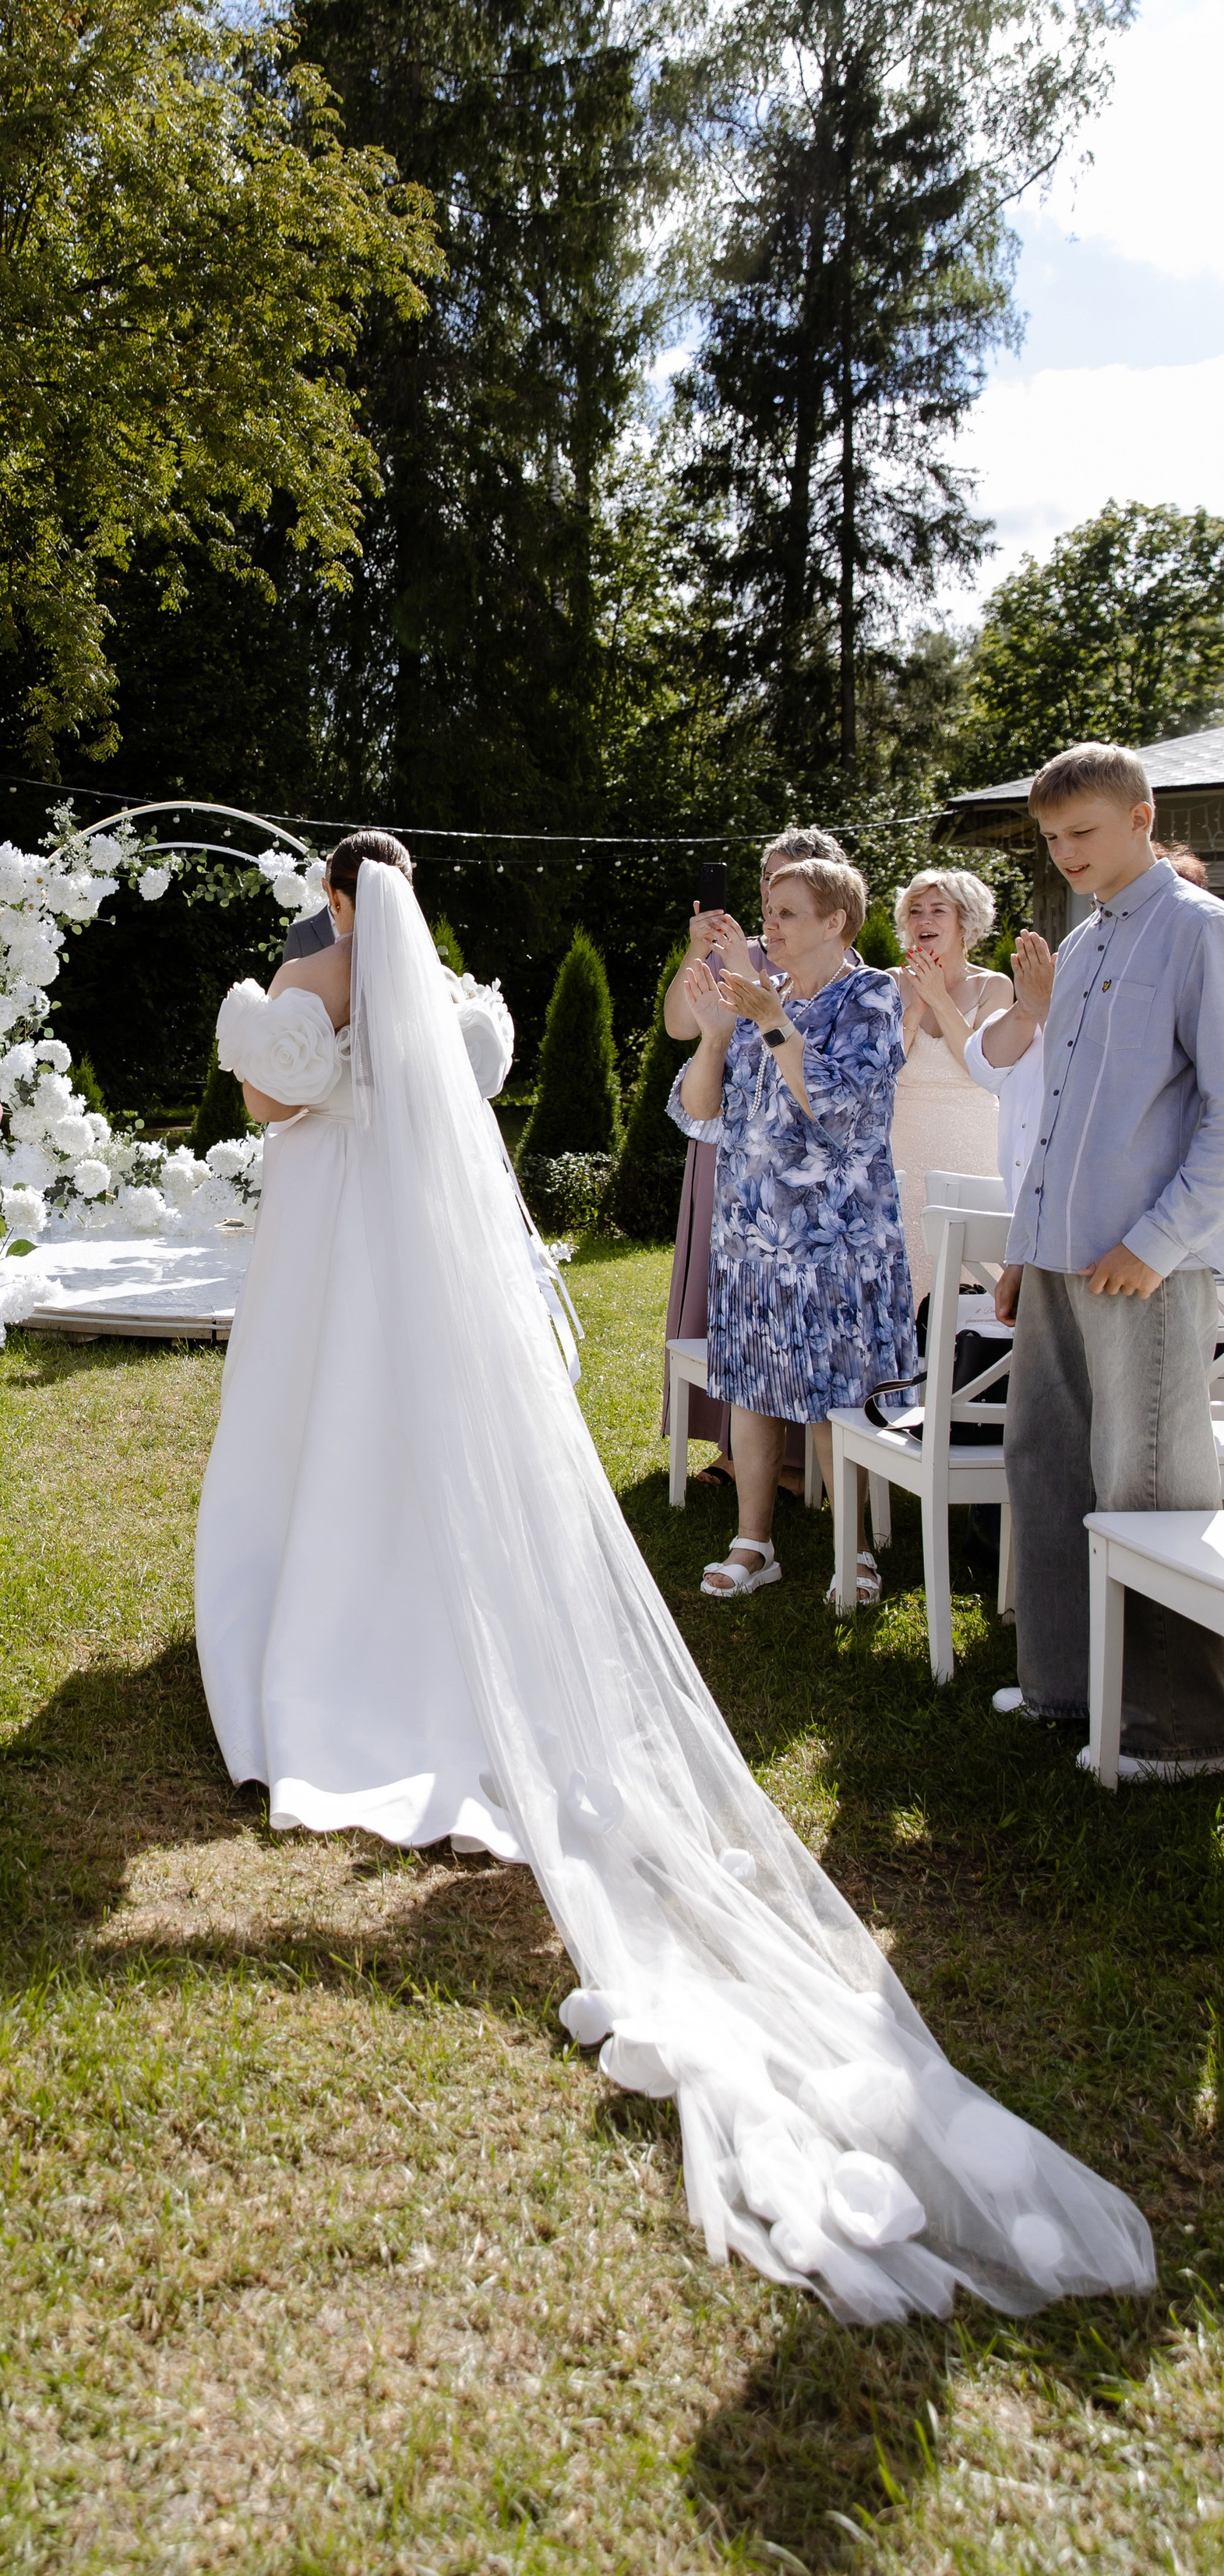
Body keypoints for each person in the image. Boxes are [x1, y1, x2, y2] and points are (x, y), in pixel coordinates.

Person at [199, 839, 1151, 2320]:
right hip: (419, 1262)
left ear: (331, 901)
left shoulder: (307, 978)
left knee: (318, 1423)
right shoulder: (445, 994)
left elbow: (270, 1099)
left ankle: (315, 1635)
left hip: (330, 1241)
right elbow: (602, 1082)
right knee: (410, 1434)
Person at [987, 744, 1224, 1780]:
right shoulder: (1079, 949)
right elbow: (1053, 1119)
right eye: (1051, 839)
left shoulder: (1203, 937)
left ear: (1142, 817)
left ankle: (1178, 1730)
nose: (1066, 853)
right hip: (1056, 1263)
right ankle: (1070, 1690)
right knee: (1045, 1465)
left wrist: (1156, 1241)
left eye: (1082, 832)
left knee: (1149, 1483)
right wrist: (1022, 1248)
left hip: (1147, 1269)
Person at [671, 858, 915, 1606]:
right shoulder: (758, 996)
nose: (767, 926)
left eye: (786, 914)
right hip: (750, 1237)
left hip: (836, 1246)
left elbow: (844, 1114)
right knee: (752, 1387)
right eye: (768, 910)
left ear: (837, 921)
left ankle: (856, 1548)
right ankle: (755, 1542)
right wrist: (716, 1037)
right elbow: (701, 1115)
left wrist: (773, 1025)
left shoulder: (871, 995)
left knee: (836, 1397)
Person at [661, 827, 854, 1489]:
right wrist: (700, 950)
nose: (770, 905)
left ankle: (808, 1470)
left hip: (806, 1172)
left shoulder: (847, 984)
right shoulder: (736, 950)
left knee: (807, 1315)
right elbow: (681, 1029)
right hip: (734, 1148)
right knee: (735, 1304)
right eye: (767, 888)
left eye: (785, 890)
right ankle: (736, 1454)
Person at [889, 869, 1011, 1306]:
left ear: (966, 922)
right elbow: (884, 1066)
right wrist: (915, 1006)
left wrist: (939, 997)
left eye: (938, 910)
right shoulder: (889, 982)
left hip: (973, 1148)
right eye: (916, 910)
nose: (924, 919)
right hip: (902, 1145)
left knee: (973, 1281)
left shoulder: (994, 987)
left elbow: (982, 1067)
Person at [964, 931, 1054, 1211]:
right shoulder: (1044, 996)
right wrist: (1029, 1005)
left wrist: (1048, 1006)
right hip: (1020, 1207)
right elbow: (984, 1069)